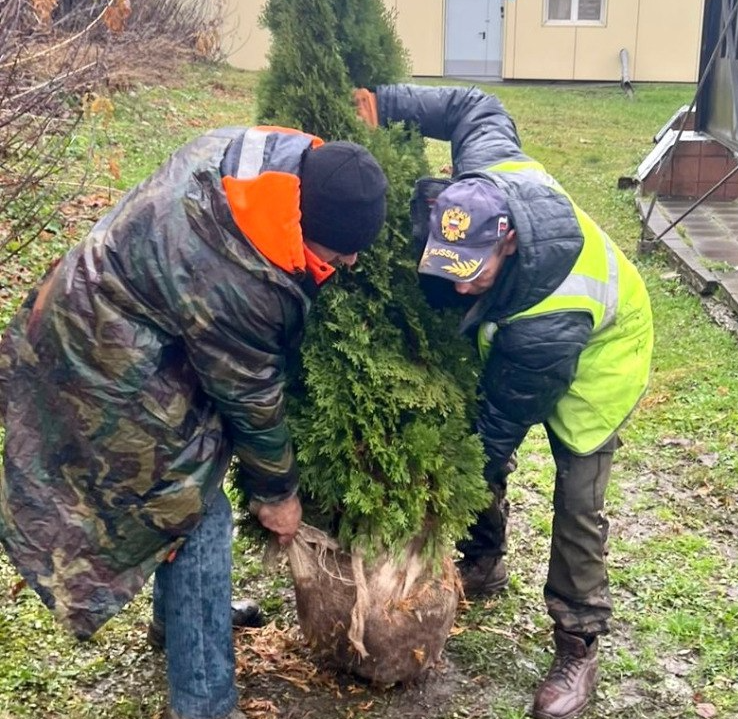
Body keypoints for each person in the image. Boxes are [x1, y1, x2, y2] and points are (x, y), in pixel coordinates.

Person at [0, 126, 388, 719]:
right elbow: (251, 397)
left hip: (120, 312)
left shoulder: (257, 164)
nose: (352, 263)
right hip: (100, 357)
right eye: (339, 253)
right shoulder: (240, 279)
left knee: (190, 489)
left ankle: (178, 620)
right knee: (193, 509)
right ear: (306, 224)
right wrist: (277, 495)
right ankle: (205, 702)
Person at [355, 84, 654, 719]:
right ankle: (484, 561)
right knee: (474, 430)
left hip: (601, 349)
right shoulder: (490, 175)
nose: (458, 282)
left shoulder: (548, 320)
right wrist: (385, 102)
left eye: (472, 270)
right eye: (449, 263)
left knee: (575, 495)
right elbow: (474, 107)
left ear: (509, 240)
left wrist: (434, 511)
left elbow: (493, 434)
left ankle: (579, 643)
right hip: (516, 326)